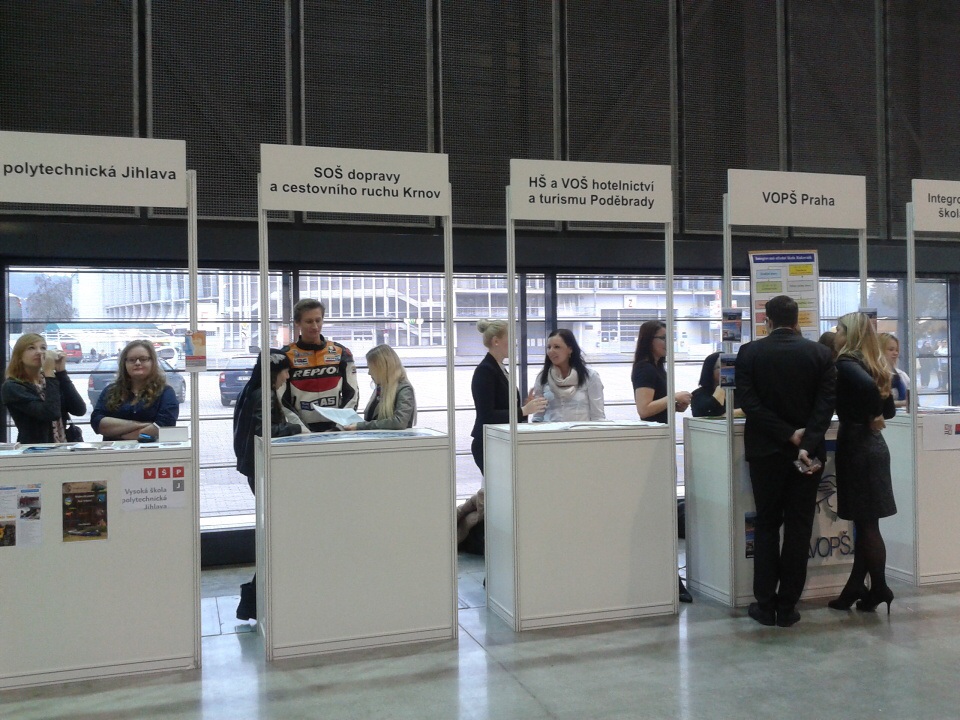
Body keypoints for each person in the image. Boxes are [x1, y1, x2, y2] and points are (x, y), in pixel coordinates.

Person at [734, 296, 836, 627]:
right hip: (806, 457)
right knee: (798, 527)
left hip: (765, 453)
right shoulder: (820, 354)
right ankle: (788, 606)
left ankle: (765, 604)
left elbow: (749, 403)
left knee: (766, 524)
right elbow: (825, 405)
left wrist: (785, 433)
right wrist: (804, 441)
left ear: (767, 320)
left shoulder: (750, 353)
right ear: (797, 320)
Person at [828, 313, 898, 614]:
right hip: (874, 446)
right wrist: (875, 413)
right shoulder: (874, 362)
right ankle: (857, 585)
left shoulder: (846, 363)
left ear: (851, 334)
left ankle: (879, 586)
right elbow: (889, 410)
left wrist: (870, 413)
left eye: (839, 329)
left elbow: (869, 391)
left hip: (857, 446)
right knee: (866, 521)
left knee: (866, 523)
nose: (836, 334)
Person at [461, 319, 546, 554]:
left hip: (497, 442)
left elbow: (503, 409)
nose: (515, 343)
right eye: (511, 338)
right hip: (487, 443)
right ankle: (483, 540)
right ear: (496, 341)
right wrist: (522, 411)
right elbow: (487, 414)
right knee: (498, 496)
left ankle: (494, 541)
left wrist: (523, 408)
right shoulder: (485, 371)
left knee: (502, 495)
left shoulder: (499, 369)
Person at [232, 351, 305, 621]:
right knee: (278, 537)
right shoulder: (262, 394)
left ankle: (252, 601)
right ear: (273, 372)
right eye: (285, 371)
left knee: (276, 535)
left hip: (255, 469)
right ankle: (251, 600)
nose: (287, 376)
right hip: (262, 471)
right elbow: (265, 431)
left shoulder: (253, 391)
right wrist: (295, 429)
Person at [632, 320, 694, 603]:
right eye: (662, 338)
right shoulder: (645, 368)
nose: (667, 344)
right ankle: (668, 579)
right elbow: (644, 409)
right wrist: (673, 397)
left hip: (663, 440)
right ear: (650, 340)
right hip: (654, 444)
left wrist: (676, 403)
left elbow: (658, 404)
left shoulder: (659, 368)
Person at [280, 298, 359, 432]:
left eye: (318, 320)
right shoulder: (286, 355)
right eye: (309, 321)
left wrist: (339, 427)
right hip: (300, 431)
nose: (315, 326)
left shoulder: (341, 352)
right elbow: (281, 400)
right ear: (297, 323)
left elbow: (352, 394)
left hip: (337, 429)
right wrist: (301, 430)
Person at [2, 333, 85, 443]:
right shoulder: (12, 387)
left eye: (43, 348)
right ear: (19, 355)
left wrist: (61, 373)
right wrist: (49, 372)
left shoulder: (51, 381)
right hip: (35, 449)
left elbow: (79, 409)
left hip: (63, 446)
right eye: (31, 348)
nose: (39, 352)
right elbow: (50, 413)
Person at [90, 340, 178, 440]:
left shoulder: (165, 392)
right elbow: (97, 422)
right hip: (113, 450)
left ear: (152, 362)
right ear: (124, 363)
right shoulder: (110, 391)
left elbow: (164, 426)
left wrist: (119, 434)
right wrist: (138, 425)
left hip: (151, 449)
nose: (137, 363)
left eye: (143, 359)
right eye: (132, 360)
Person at [530, 329, 605, 422]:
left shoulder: (590, 377)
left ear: (570, 349)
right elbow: (538, 417)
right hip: (550, 431)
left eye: (557, 347)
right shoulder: (542, 377)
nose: (551, 351)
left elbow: (598, 417)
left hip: (580, 430)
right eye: (549, 347)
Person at [344, 344, 416, 430]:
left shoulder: (404, 389)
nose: (369, 373)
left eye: (371, 368)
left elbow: (399, 422)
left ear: (382, 368)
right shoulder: (381, 389)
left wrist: (361, 426)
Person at [690, 351, 742, 418]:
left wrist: (730, 414)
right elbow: (707, 414)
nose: (726, 370)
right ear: (710, 370)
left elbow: (751, 409)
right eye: (720, 367)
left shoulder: (741, 391)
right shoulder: (698, 394)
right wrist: (721, 389)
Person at [878, 332, 910, 409]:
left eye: (897, 350)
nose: (895, 353)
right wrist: (902, 403)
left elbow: (913, 401)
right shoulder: (872, 375)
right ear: (879, 351)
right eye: (891, 349)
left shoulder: (902, 375)